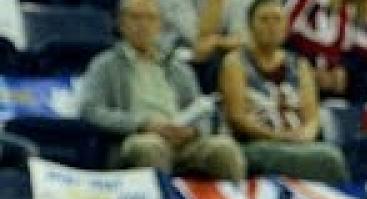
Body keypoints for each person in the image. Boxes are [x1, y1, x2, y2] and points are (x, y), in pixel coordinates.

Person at [79, 0, 246, 180]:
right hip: (137, 138)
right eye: (135, 18)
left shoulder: (178, 67)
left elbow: (201, 110)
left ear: (159, 25)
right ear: (121, 24)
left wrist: (194, 131)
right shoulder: (104, 65)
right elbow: (91, 110)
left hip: (182, 140)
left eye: (150, 18)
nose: (143, 25)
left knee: (224, 149)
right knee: (150, 146)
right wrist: (143, 124)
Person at [218, 0, 349, 182]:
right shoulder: (235, 62)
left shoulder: (300, 65)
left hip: (296, 141)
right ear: (250, 26)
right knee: (327, 158)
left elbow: (312, 117)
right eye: (264, 20)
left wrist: (303, 135)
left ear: (286, 27)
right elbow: (237, 117)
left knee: (330, 155)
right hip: (256, 142)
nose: (271, 26)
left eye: (277, 20)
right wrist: (277, 137)